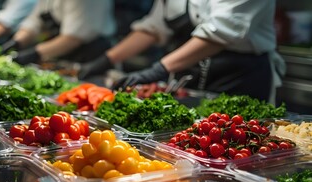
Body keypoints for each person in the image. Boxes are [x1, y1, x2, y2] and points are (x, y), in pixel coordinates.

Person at [79, 0, 285, 103]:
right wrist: (107, 60)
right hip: (190, 77)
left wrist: (157, 70)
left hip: (238, 79)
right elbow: (153, 27)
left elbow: (222, 31)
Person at [1, 0, 116, 64]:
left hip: (91, 57)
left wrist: (35, 53)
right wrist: (16, 42)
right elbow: (35, 22)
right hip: (63, 52)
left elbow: (73, 38)